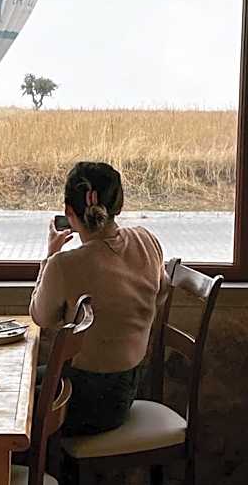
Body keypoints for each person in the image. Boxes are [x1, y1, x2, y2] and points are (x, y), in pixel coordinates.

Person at [30, 161, 168, 435]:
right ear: (118, 205)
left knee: (10, 403)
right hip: (128, 387)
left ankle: (24, 474)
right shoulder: (147, 240)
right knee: (21, 382)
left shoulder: (64, 264)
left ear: (69, 212)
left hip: (86, 401)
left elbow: (40, 316)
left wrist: (49, 257)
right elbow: (161, 292)